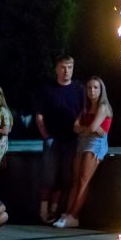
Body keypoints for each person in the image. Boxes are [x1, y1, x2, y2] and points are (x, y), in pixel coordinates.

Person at [53, 76, 112, 229]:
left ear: (101, 90)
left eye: (95, 88)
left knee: (83, 181)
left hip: (96, 144)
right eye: (89, 88)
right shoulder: (86, 108)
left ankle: (74, 215)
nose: (92, 91)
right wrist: (91, 129)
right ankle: (67, 214)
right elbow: (76, 127)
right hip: (83, 143)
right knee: (76, 180)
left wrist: (89, 129)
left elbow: (92, 129)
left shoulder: (103, 106)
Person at [35, 55, 84, 224]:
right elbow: (39, 115)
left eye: (70, 67)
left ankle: (54, 211)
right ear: (57, 69)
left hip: (71, 140)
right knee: (49, 176)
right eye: (63, 67)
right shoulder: (47, 90)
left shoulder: (79, 90)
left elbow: (83, 112)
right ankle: (43, 211)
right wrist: (46, 135)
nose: (66, 71)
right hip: (52, 139)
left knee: (65, 177)